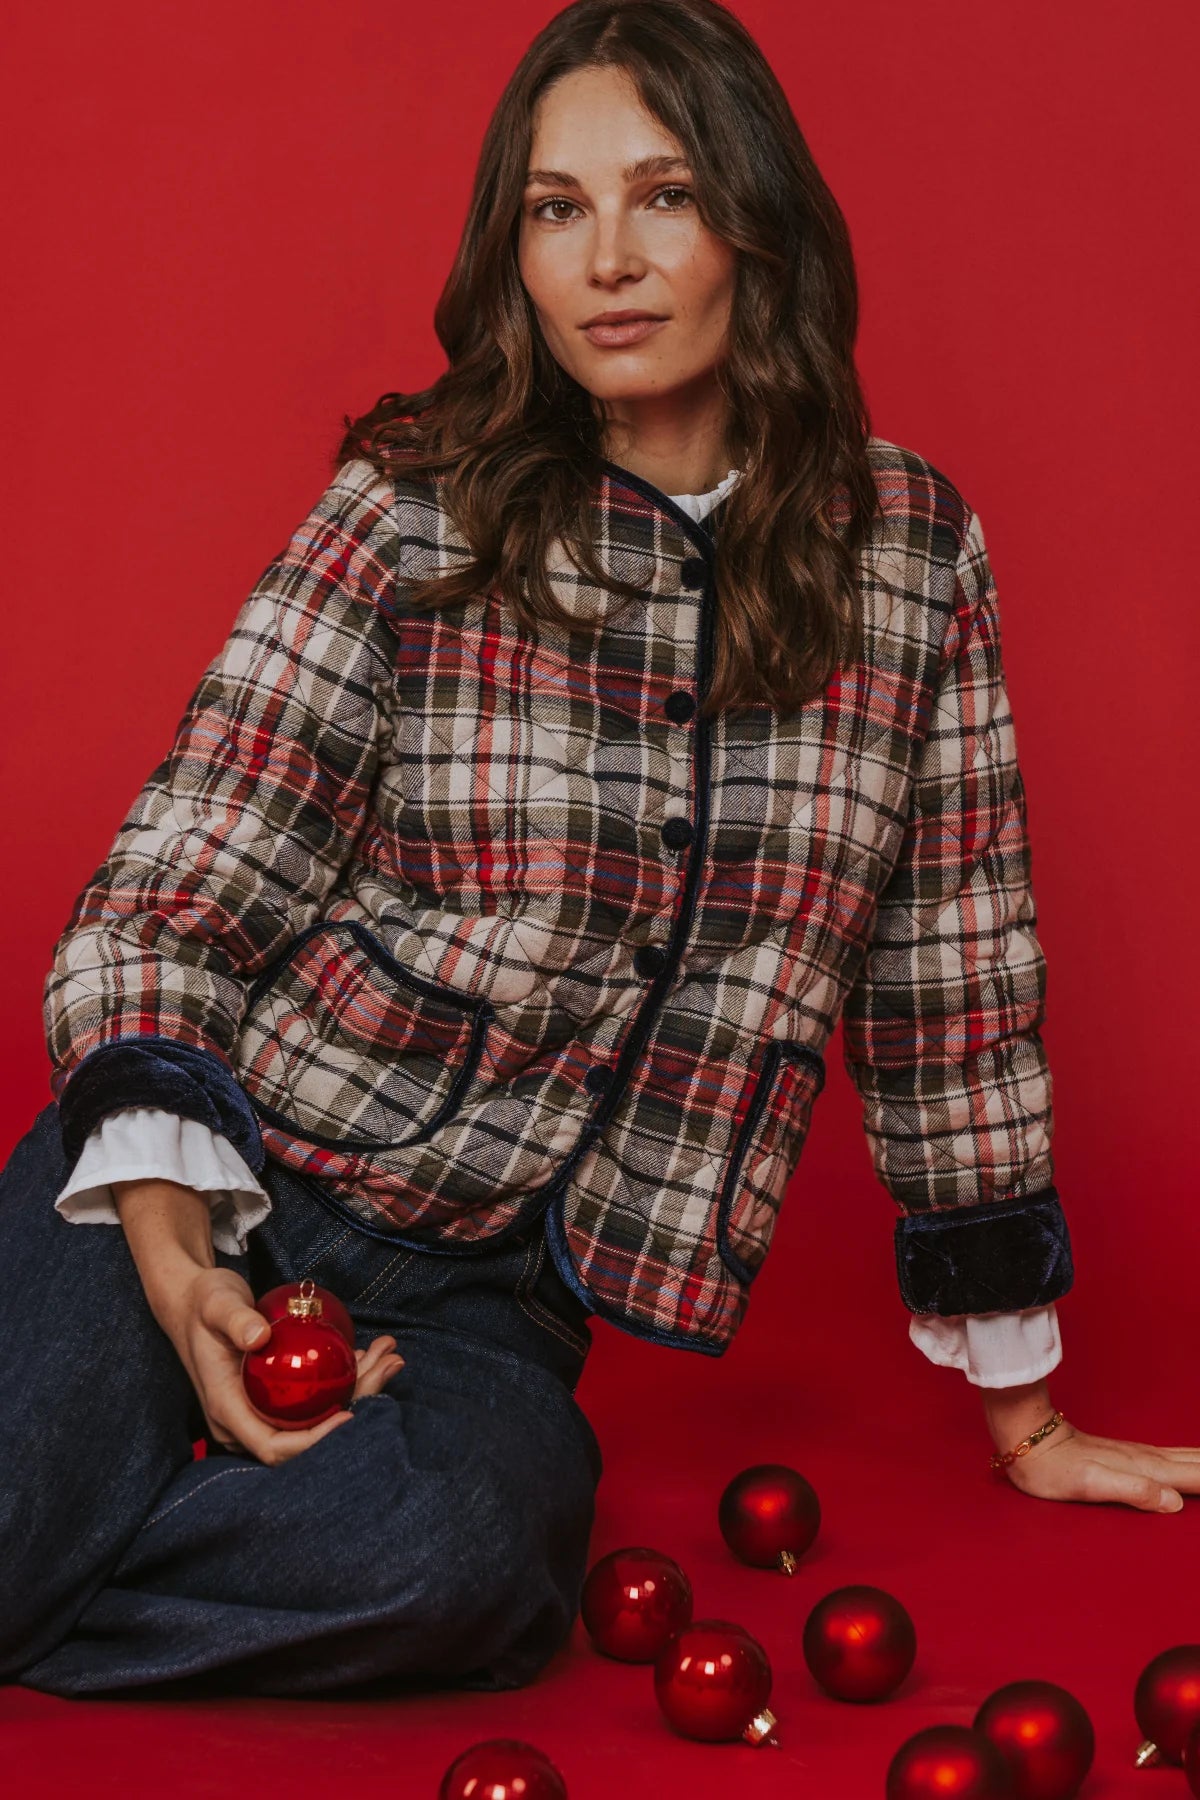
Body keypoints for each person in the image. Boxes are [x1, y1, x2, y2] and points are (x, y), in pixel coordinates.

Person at [3, 0, 1197, 1703]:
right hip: (217, 1169)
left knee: (476, 1559)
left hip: (493, 1305)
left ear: (755, 225)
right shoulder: (413, 504)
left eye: (666, 194)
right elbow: (174, 887)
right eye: (557, 208)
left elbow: (950, 983)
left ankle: (63, 1568)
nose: (608, 261)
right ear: (515, 250)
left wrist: (1030, 1415)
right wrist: (179, 1259)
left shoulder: (912, 554)